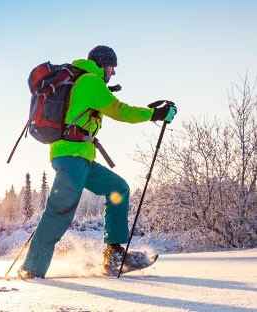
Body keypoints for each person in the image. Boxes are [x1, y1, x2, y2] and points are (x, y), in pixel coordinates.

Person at [19, 45, 177, 278]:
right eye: (112, 67)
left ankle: (113, 255)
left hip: (81, 158)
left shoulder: (84, 80)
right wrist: (153, 114)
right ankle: (32, 270)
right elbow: (119, 110)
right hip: (72, 158)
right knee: (59, 213)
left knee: (118, 188)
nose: (113, 72)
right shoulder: (90, 81)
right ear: (103, 64)